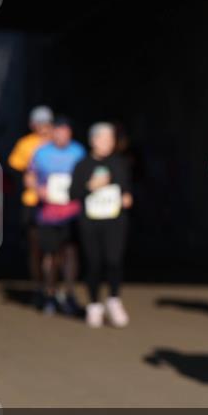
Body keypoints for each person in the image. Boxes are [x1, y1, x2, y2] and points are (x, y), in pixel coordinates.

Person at [71, 122, 132, 328]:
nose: (108, 143)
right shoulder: (82, 165)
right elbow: (73, 193)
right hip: (91, 221)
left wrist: (127, 197)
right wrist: (90, 187)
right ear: (93, 140)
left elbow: (127, 187)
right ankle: (94, 304)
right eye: (104, 139)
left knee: (113, 260)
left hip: (114, 220)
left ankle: (114, 300)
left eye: (111, 139)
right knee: (94, 262)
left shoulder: (119, 163)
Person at [28, 116, 86, 316]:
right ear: (53, 132)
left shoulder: (79, 151)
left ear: (70, 133)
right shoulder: (41, 153)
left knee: (70, 254)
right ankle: (49, 293)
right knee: (50, 256)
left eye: (65, 131)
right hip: (48, 213)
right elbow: (30, 176)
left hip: (72, 212)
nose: (61, 134)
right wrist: (38, 189)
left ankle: (69, 293)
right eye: (58, 131)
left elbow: (86, 176)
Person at [8, 106, 53, 305]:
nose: (43, 127)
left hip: (56, 203)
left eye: (46, 122)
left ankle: (52, 286)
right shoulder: (25, 144)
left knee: (55, 248)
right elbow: (16, 170)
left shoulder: (57, 142)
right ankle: (38, 285)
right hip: (33, 202)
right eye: (39, 122)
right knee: (36, 247)